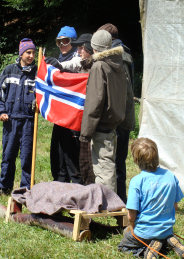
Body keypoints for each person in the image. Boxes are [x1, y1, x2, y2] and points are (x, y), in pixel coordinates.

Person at [118, 137, 184, 258]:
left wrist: (131, 228)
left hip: (144, 232)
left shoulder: (137, 181)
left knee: (123, 246)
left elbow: (131, 215)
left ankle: (148, 250)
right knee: (163, 236)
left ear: (136, 160)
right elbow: (175, 205)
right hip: (166, 229)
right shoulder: (170, 176)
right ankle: (168, 240)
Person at [79, 30, 127, 192]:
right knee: (108, 161)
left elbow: (95, 101)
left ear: (94, 48)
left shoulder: (99, 66)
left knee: (103, 166)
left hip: (101, 125)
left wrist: (85, 133)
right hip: (113, 123)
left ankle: (107, 205)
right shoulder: (118, 63)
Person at [0, 38, 37, 195]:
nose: (31, 56)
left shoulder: (37, 74)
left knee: (27, 157)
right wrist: (1, 112)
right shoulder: (9, 71)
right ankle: (4, 186)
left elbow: (44, 96)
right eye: (28, 52)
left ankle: (26, 188)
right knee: (8, 155)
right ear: (21, 53)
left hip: (29, 122)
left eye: (33, 53)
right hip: (10, 121)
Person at [97, 23, 135, 203]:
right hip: (121, 116)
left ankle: (119, 202)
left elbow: (123, 92)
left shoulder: (120, 57)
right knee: (115, 160)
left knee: (116, 161)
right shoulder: (119, 54)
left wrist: (113, 114)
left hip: (120, 117)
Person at [46, 26, 83, 184]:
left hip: (73, 114)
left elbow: (76, 65)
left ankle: (76, 184)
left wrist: (60, 66)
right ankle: (60, 181)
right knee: (57, 149)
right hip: (59, 114)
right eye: (58, 42)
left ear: (73, 42)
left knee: (72, 151)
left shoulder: (78, 58)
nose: (61, 45)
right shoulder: (58, 60)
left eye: (65, 41)